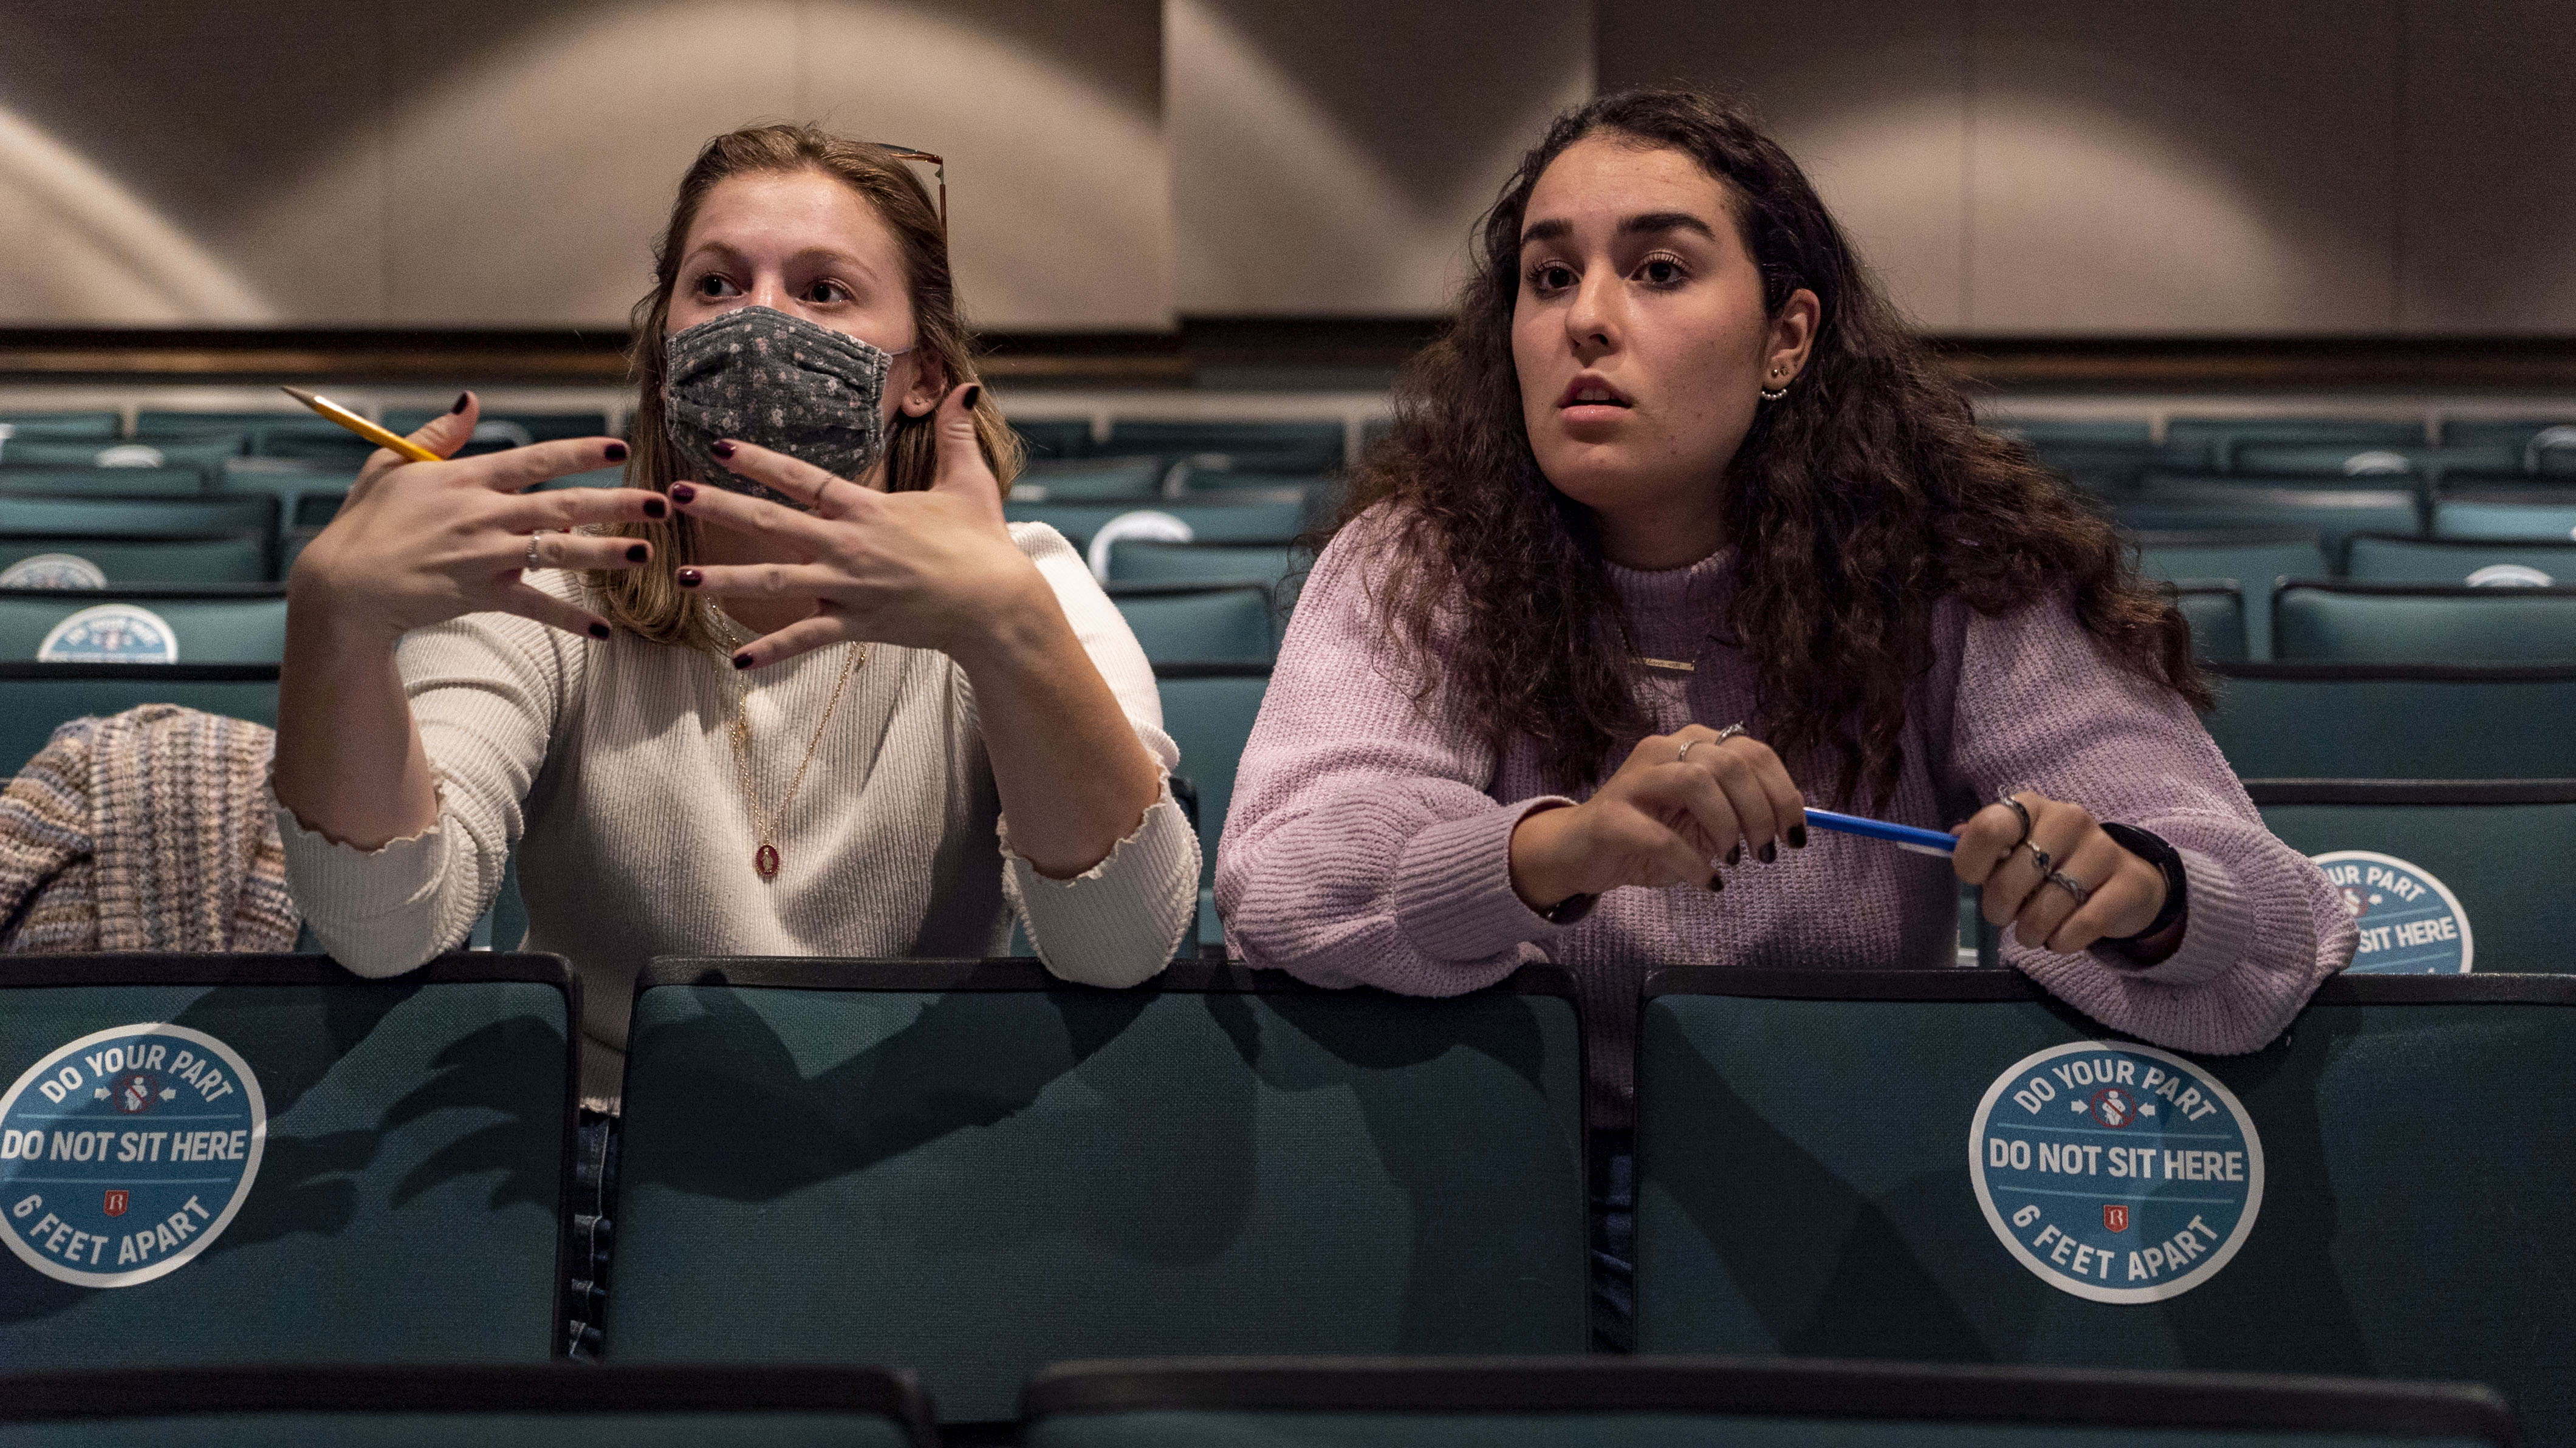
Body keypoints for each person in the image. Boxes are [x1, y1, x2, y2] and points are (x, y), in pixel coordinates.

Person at [1213, 89, 2355, 1347]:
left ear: (1786, 337)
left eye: (1656, 270)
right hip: (1493, 1211)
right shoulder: (1413, 560)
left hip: (1854, 1210)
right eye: (1546, 279)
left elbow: (2269, 921)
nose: (1585, 319)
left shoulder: (1956, 566)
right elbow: (1290, 876)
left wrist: (2140, 891)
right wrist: (1554, 851)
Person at [273, 123, 1197, 1102]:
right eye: (715, 285)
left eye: (822, 291)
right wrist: (338, 624)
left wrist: (1008, 633)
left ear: (923, 378)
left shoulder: (1028, 591)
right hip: (606, 1167)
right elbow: (382, 931)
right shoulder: (550, 588)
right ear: (665, 356)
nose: (757, 324)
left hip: (917, 1165)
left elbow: (1121, 948)